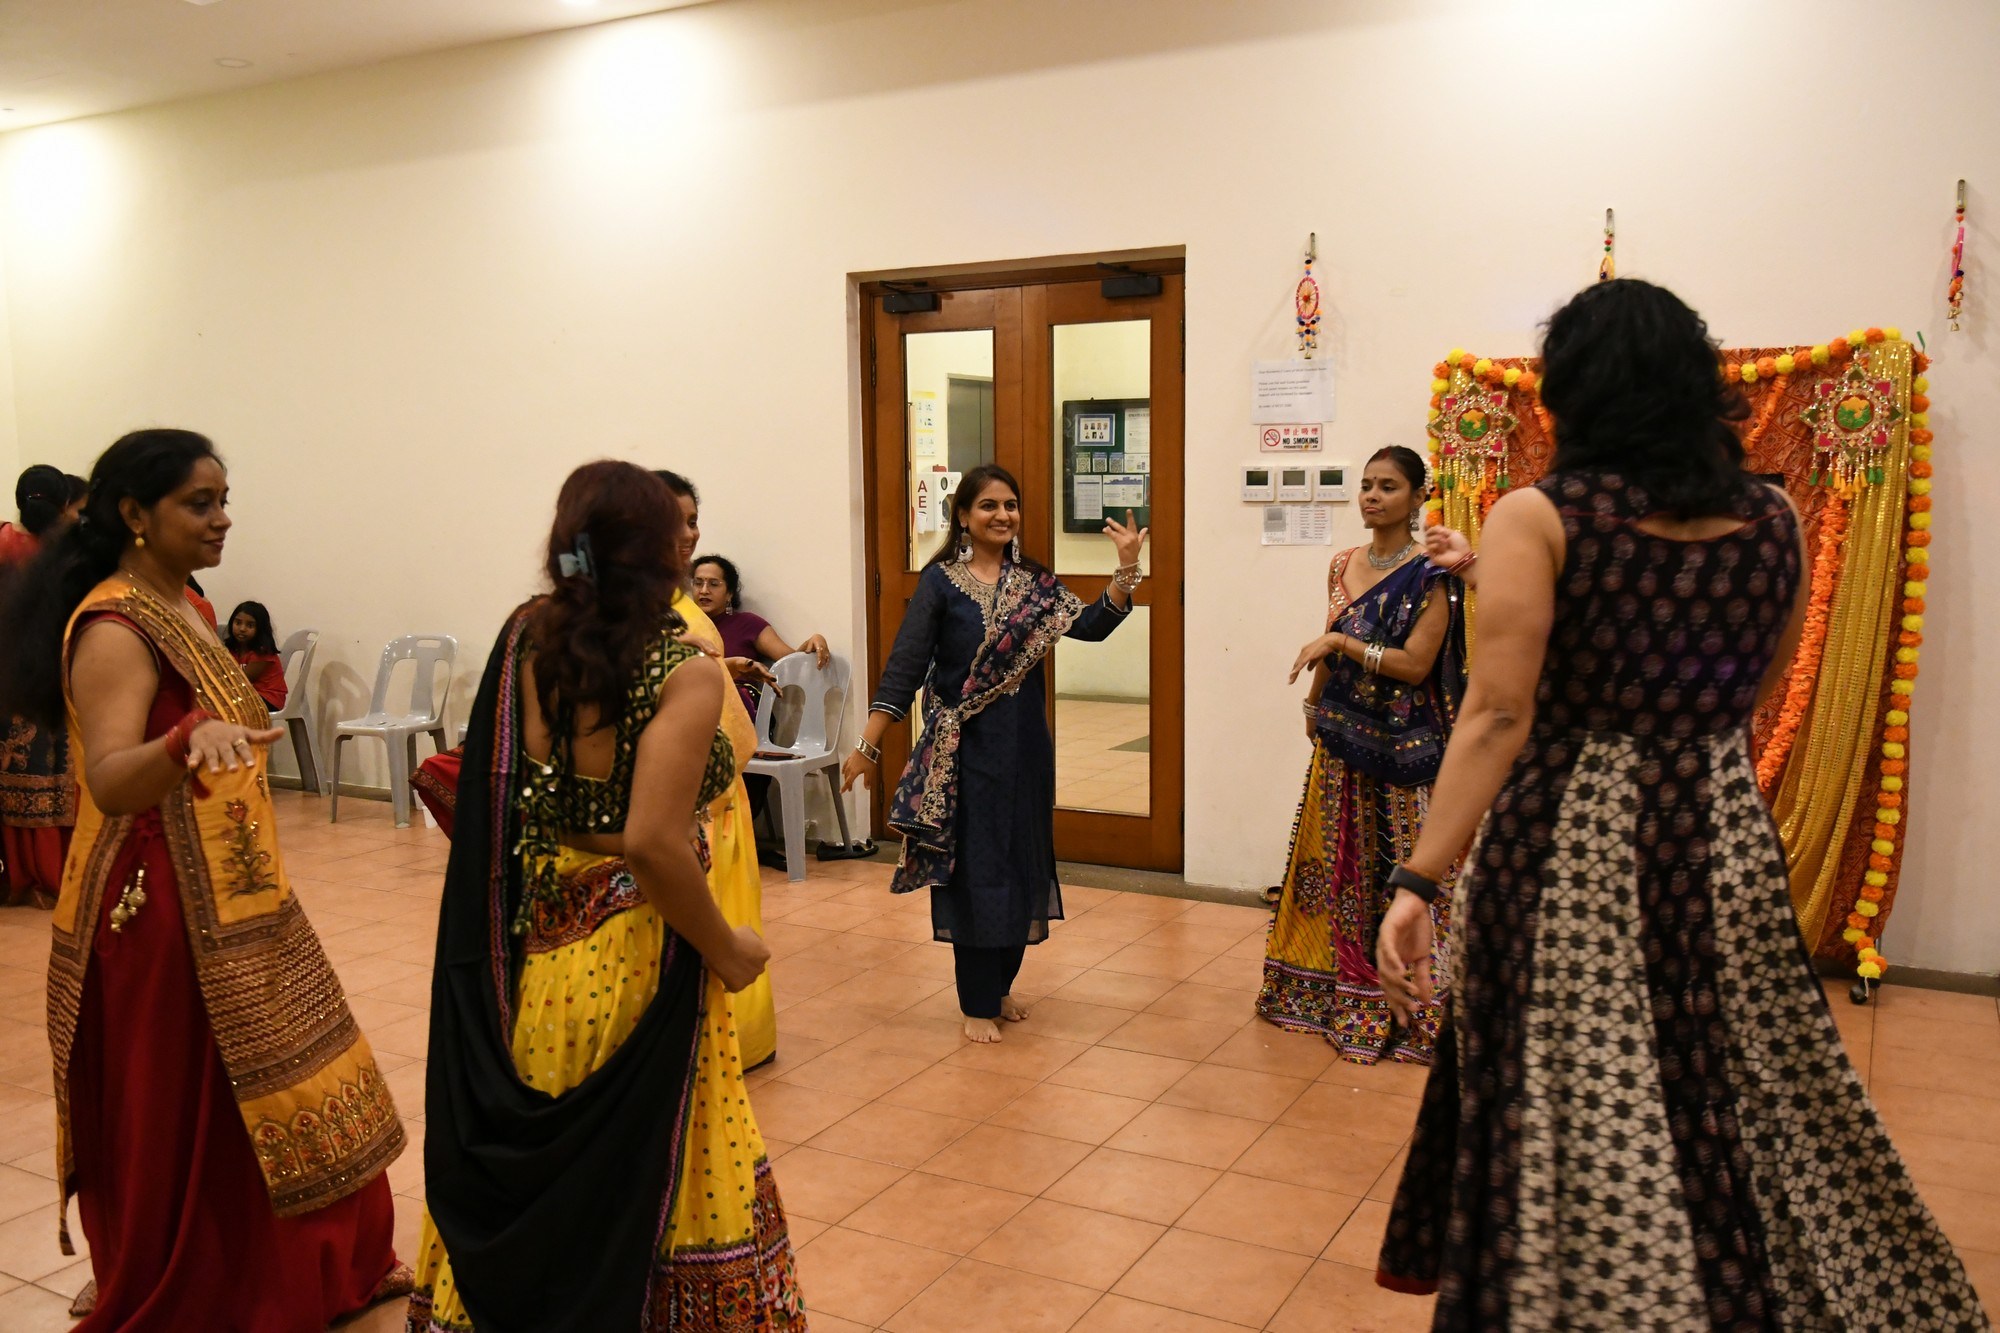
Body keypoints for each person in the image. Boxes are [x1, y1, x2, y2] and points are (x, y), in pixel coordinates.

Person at [1372, 280, 1988, 1325]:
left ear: (1576, 394)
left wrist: (1418, 879)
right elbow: (1757, 686)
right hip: (1719, 833)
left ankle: (1581, 1296)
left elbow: (1497, 714)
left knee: (1569, 1089)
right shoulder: (1774, 516)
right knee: (1731, 1081)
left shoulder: (1539, 517)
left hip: (1567, 851)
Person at [0, 429, 409, 1330]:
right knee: (201, 1103)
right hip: (161, 908)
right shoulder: (114, 626)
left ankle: (302, 1269)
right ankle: (216, 1284)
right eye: (199, 503)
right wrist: (185, 741)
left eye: (225, 500)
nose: (222, 519)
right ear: (134, 514)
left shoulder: (178, 602)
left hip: (235, 889)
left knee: (282, 1077)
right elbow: (110, 777)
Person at [410, 461, 804, 1331]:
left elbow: (512, 793)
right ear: (661, 548)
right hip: (639, 950)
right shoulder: (681, 670)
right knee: (664, 1147)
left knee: (552, 1135)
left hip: (543, 945)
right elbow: (653, 843)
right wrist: (727, 948)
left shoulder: (528, 642)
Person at [841, 463, 1148, 1044]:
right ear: (963, 515)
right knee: (977, 870)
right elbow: (904, 668)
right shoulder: (940, 584)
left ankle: (1001, 983)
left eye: (1010, 505)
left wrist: (1126, 569)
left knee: (1020, 861)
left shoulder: (1034, 583)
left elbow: (1091, 626)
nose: (1002, 515)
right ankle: (977, 1001)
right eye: (988, 505)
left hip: (1025, 748)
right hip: (966, 754)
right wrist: (867, 746)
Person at [1256, 446, 1467, 1065]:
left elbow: (1415, 664)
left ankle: (1409, 1005)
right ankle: (1333, 993)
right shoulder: (1342, 563)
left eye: (1389, 486)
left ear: (1418, 496)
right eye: (1367, 485)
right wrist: (1313, 705)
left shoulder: (1431, 572)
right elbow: (1330, 640)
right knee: (1337, 867)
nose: (1373, 496)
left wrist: (1341, 644)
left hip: (1401, 750)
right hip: (1341, 737)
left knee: (1397, 867)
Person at [654, 471, 778, 1069]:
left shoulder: (676, 602)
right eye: (672, 521)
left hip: (723, 791)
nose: (688, 534)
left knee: (734, 908)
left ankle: (740, 1041)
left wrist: (724, 667)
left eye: (693, 520)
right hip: (683, 801)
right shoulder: (633, 610)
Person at [689, 552, 832, 834]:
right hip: (693, 712)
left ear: (730, 593)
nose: (704, 590)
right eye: (698, 582)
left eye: (714, 584)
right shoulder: (682, 626)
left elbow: (791, 663)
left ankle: (725, 827)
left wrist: (814, 640)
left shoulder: (748, 624)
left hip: (743, 713)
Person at [1, 466, 87, 907]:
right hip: (55, 676)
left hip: (7, 683)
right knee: (53, 777)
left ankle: (18, 875)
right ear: (64, 505)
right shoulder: (67, 552)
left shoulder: (3, 542)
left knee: (13, 777)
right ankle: (58, 873)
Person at [225, 599, 289, 712]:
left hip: (268, 698)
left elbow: (242, 680)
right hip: (247, 694)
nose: (242, 629)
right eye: (238, 623)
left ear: (261, 629)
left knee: (223, 704)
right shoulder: (233, 648)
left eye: (250, 625)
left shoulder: (263, 652)